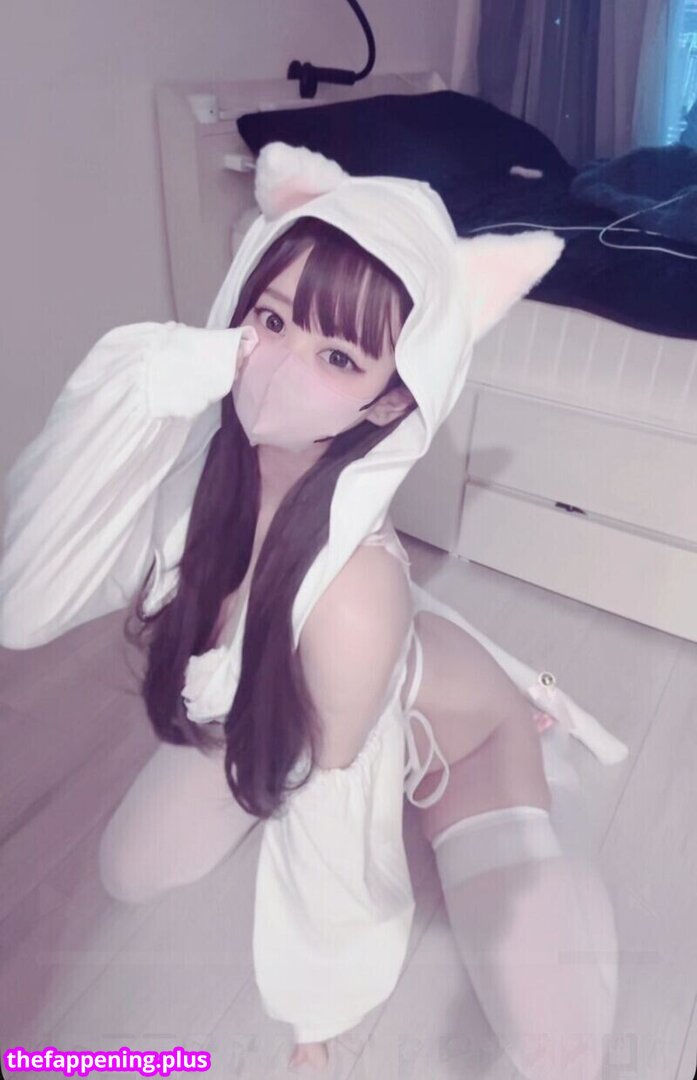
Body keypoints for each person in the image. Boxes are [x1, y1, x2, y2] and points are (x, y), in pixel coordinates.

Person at [0, 141, 628, 1077]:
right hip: (298, 705)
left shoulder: (353, 598)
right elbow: (24, 600)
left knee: (560, 1050)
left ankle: (543, 752)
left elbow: (337, 811)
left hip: (457, 743)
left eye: (337, 356)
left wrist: (315, 1017)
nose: (281, 366)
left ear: (386, 403)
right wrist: (144, 375)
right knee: (128, 870)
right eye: (271, 317)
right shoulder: (192, 484)